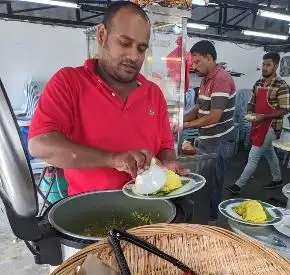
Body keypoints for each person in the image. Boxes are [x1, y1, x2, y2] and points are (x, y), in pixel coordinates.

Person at [29, 1, 186, 197]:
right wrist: (113, 159)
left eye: (141, 48)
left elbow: (165, 148)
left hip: (151, 207)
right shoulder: (69, 82)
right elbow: (40, 144)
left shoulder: (153, 93)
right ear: (102, 35)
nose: (134, 56)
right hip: (91, 212)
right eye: (125, 43)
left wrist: (168, 163)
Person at [182, 40, 236, 222]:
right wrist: (180, 119)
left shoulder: (221, 79)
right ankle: (205, 216)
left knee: (213, 184)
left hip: (220, 142)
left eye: (197, 62)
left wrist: (187, 126)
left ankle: (212, 221)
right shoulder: (207, 79)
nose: (194, 66)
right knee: (205, 182)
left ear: (209, 57)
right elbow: (199, 108)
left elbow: (214, 116)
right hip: (207, 140)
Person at [227, 52, 290, 195]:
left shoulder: (282, 85)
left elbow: (284, 109)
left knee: (254, 155)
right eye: (263, 64)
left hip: (272, 126)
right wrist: (250, 113)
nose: (265, 67)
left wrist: (264, 116)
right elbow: (252, 103)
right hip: (258, 123)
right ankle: (278, 179)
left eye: (268, 65)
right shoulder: (258, 83)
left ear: (276, 66)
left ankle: (238, 185)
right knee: (269, 153)